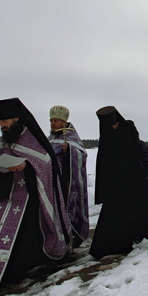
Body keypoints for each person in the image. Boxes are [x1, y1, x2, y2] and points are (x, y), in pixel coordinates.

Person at [0, 98, 72, 288]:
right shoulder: (6, 140)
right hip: (6, 200)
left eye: (5, 121)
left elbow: (46, 164)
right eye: (0, 123)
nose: (3, 126)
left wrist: (26, 166)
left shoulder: (33, 139)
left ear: (17, 118)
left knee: (24, 245)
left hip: (30, 202)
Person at [89, 106, 148, 260]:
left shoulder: (129, 130)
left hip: (132, 180)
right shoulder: (107, 135)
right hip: (115, 184)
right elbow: (104, 161)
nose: (112, 127)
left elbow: (133, 153)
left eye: (113, 124)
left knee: (132, 212)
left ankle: (125, 243)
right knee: (112, 215)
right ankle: (105, 247)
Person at [48, 105, 89, 248]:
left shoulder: (71, 138)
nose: (53, 123)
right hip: (52, 184)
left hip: (67, 184)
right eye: (51, 121)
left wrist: (69, 150)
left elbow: (82, 154)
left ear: (64, 122)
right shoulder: (50, 139)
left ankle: (71, 238)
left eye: (56, 121)